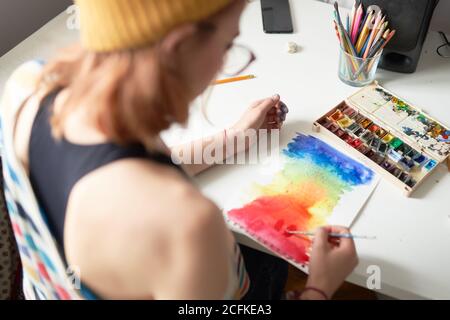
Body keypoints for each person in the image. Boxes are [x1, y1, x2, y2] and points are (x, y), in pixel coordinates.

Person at [0, 0, 357, 300]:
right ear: (181, 44)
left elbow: (130, 172)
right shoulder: (187, 227)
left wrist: (233, 137)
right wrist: (320, 287)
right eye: (229, 45)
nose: (226, 60)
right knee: (274, 263)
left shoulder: (27, 86)